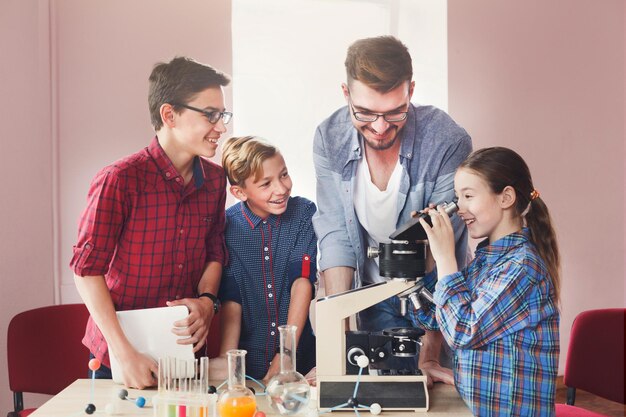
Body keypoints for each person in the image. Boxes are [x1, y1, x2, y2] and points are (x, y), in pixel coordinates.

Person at [312, 35, 472, 383]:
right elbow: (336, 236)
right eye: (366, 113)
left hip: (435, 297)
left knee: (438, 397)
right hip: (370, 295)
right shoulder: (329, 138)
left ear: (411, 91)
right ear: (346, 93)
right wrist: (335, 350)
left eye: (394, 113)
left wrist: (430, 356)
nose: (381, 127)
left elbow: (444, 247)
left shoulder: (446, 140)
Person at [70, 57, 230, 389]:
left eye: (222, 115)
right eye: (210, 115)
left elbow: (215, 251)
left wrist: (207, 301)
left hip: (183, 358)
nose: (222, 127)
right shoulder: (119, 180)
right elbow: (86, 271)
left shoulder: (215, 181)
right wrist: (123, 352)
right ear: (169, 115)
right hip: (118, 358)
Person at [416, 147, 561, 416]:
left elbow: (461, 331)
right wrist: (430, 259)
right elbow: (437, 318)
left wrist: (447, 259)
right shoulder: (487, 259)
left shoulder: (521, 266)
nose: (458, 208)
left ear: (506, 197)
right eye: (457, 197)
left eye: (468, 196)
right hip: (476, 406)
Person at [211, 136, 317, 382]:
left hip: (302, 363)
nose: (281, 188)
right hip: (249, 366)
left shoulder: (303, 213)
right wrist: (229, 360)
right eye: (266, 183)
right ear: (239, 192)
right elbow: (231, 298)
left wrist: (285, 356)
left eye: (284, 174)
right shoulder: (227, 226)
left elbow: (302, 283)